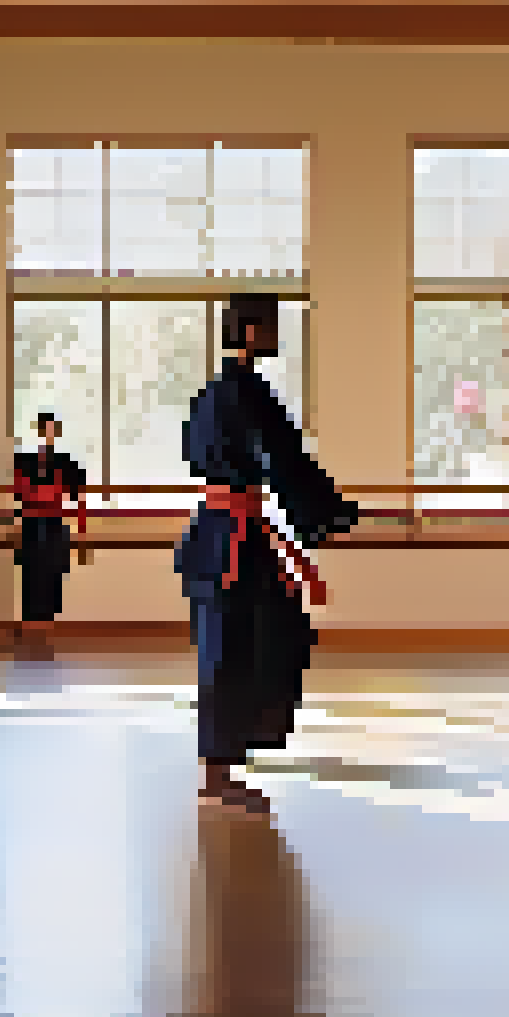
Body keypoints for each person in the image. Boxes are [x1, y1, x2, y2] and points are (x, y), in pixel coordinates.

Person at [178, 294, 359, 816]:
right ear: (253, 330)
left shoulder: (211, 392)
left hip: (212, 534)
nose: (277, 336)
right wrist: (334, 514)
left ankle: (225, 756)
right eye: (273, 326)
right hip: (235, 539)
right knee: (244, 645)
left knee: (235, 643)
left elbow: (201, 456)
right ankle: (218, 766)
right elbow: (287, 463)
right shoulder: (250, 393)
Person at [12, 412, 89, 638]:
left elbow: (80, 498)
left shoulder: (67, 462)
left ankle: (47, 625)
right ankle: (30, 624)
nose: (48, 434)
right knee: (31, 573)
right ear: (38, 430)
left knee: (53, 572)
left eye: (52, 429)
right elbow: (17, 495)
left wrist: (82, 533)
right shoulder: (24, 461)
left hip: (54, 523)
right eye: (45, 429)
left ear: (58, 432)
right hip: (31, 525)